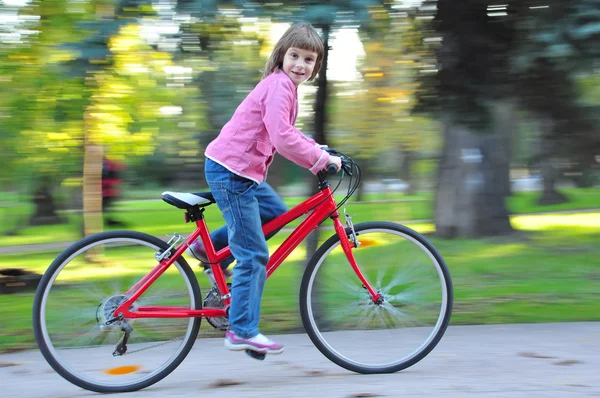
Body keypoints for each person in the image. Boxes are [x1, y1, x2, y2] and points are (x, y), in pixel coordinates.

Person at [187, 22, 341, 355]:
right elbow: (282, 138)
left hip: (243, 172)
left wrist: (321, 150)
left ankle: (207, 248)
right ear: (282, 55)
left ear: (316, 66)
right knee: (253, 254)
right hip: (232, 172)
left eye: (309, 60)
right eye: (295, 56)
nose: (300, 64)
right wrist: (317, 160)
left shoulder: (283, 87)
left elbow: (286, 130)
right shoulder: (280, 85)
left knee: (275, 213)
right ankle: (241, 330)